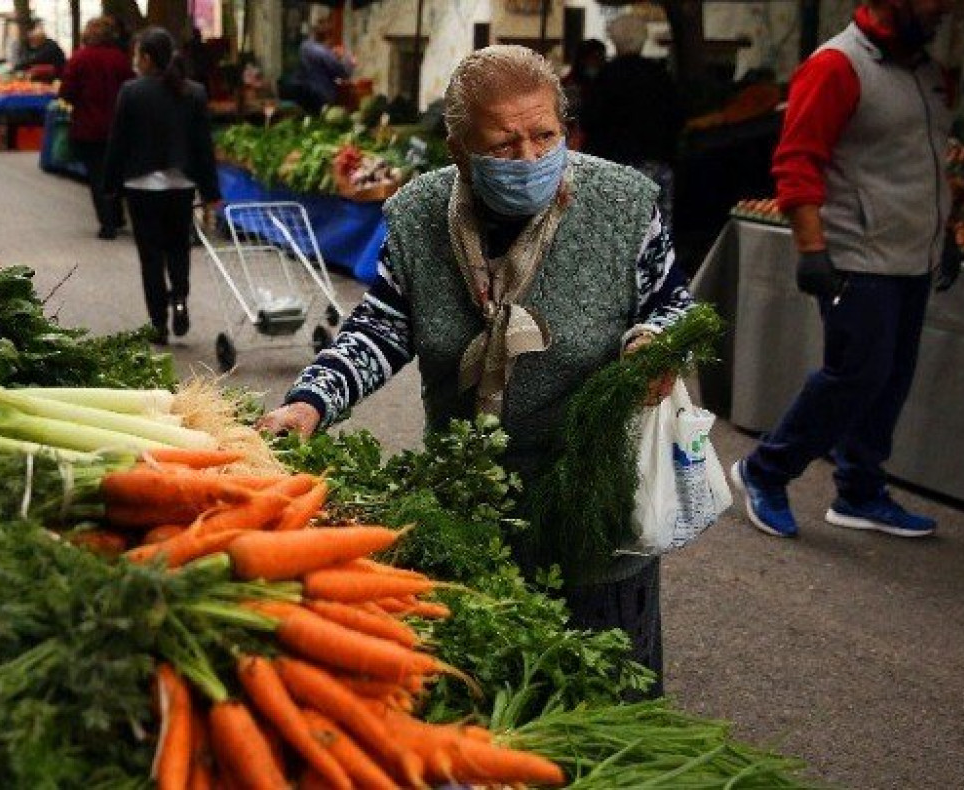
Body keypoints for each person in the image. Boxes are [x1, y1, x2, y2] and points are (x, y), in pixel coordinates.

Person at [257, 46, 695, 689]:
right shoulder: (419, 216)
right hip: (470, 499)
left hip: (592, 502)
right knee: (486, 687)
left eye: (545, 135)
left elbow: (674, 305)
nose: (530, 157)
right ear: (460, 150)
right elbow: (381, 327)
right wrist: (310, 402)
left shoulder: (624, 205)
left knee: (603, 688)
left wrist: (655, 341)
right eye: (504, 143)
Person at [730, 0, 957, 540]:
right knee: (857, 375)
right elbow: (797, 159)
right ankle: (765, 470)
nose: (945, 10)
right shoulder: (836, 65)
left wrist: (945, 233)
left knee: (892, 378)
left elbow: (926, 163)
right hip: (858, 252)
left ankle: (859, 491)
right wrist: (811, 248)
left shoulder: (926, 71)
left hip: (912, 255)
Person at [107, 27, 221, 346]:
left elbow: (118, 142)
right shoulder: (193, 92)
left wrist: (110, 184)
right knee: (178, 247)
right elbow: (203, 147)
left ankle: (158, 323)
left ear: (146, 57)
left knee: (151, 256)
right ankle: (180, 298)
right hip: (180, 184)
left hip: (140, 185)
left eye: (137, 55)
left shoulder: (131, 92)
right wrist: (211, 192)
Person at [586, 15, 683, 223]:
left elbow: (590, 119)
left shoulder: (606, 76)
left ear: (614, 41)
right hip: (656, 164)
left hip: (613, 166)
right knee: (656, 229)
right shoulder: (660, 75)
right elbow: (677, 117)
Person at [60, 17, 134, 240]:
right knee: (117, 171)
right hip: (119, 127)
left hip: (88, 127)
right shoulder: (121, 59)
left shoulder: (79, 58)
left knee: (96, 175)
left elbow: (66, 92)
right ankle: (118, 215)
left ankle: (107, 223)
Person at [295, 20, 353, 113]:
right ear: (327, 36)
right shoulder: (324, 53)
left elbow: (318, 64)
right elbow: (343, 73)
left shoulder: (304, 46)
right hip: (321, 96)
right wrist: (348, 60)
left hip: (304, 92)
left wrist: (332, 53)